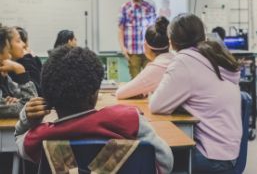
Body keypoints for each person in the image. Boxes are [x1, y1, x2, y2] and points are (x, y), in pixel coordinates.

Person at [15, 46, 173, 174]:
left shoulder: (39, 137)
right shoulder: (129, 119)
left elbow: (19, 140)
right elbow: (165, 162)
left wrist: (27, 118)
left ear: (49, 98)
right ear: (95, 95)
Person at [149, 13, 242, 173]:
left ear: (171, 40)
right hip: (230, 153)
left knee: (150, 158)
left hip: (211, 158)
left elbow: (156, 105)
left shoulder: (184, 61)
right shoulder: (212, 56)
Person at [116, 16, 173, 99]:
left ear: (146, 46)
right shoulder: (178, 60)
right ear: (169, 44)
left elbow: (120, 94)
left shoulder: (154, 68)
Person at [118, 0, 156, 79]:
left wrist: (154, 48)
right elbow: (121, 29)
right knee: (135, 80)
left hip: (148, 51)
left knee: (150, 79)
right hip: (132, 51)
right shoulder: (124, 7)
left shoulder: (149, 7)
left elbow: (154, 29)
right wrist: (123, 48)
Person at [0, 26, 37, 118]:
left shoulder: (4, 74)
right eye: (18, 40)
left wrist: (17, 101)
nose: (24, 45)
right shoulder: (18, 66)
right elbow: (33, 107)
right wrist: (20, 70)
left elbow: (31, 101)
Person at [12, 27, 42, 95]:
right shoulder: (27, 59)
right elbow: (36, 91)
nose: (24, 44)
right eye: (18, 41)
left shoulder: (30, 58)